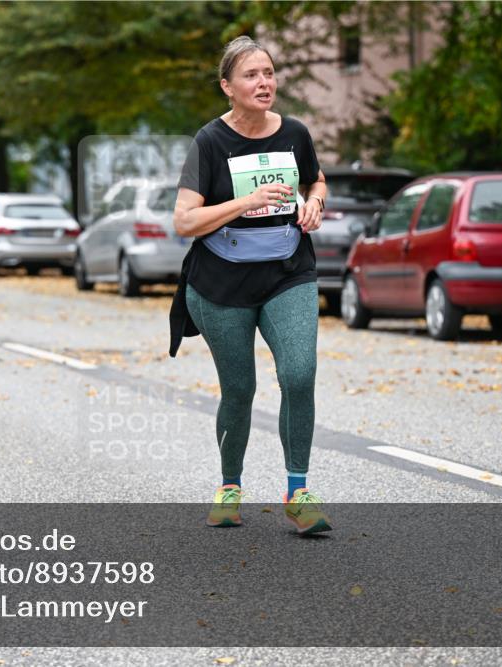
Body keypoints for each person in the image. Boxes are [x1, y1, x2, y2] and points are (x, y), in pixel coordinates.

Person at [170, 36, 331, 535]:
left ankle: (298, 491)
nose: (264, 83)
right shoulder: (210, 142)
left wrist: (314, 203)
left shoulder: (296, 133)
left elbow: (317, 179)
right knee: (239, 389)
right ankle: (230, 485)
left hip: (288, 273)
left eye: (269, 72)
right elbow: (184, 221)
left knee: (299, 374)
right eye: (251, 76)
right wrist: (246, 202)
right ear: (227, 87)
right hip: (221, 282)